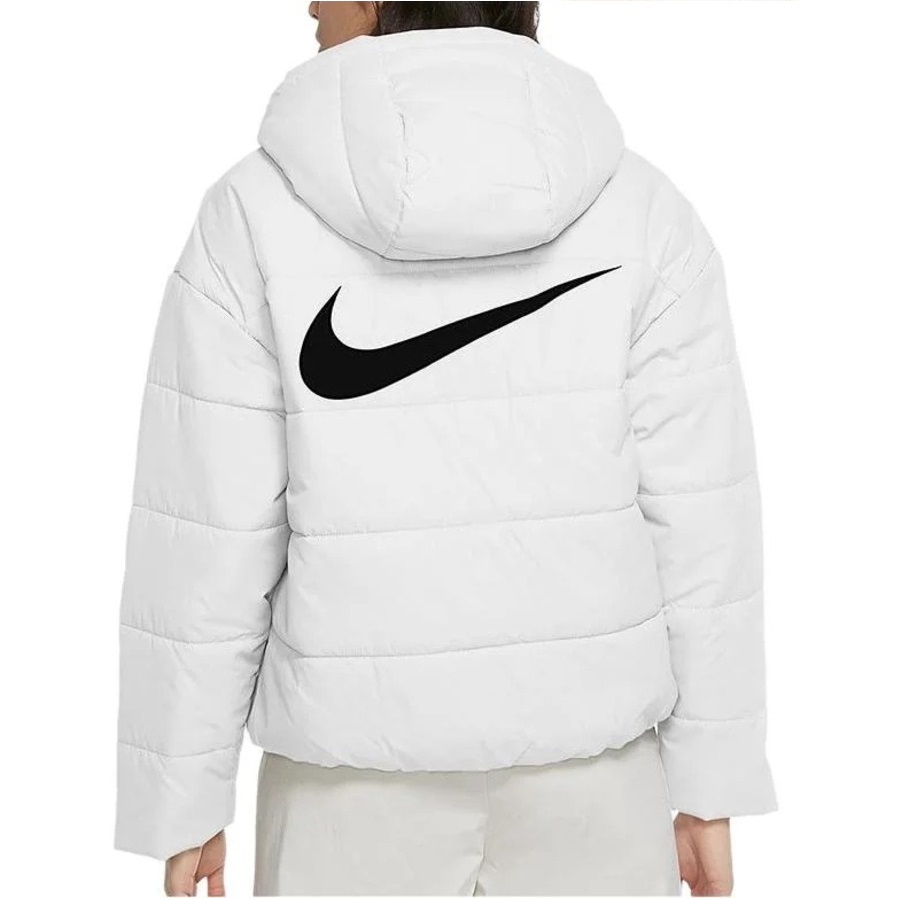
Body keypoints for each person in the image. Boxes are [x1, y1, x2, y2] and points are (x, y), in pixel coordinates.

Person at [114, 1, 776, 895]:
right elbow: (700, 525)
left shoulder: (253, 215)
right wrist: (708, 787)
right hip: (598, 785)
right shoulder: (643, 212)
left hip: (345, 797)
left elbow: (208, 537)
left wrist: (184, 798)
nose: (306, 2)